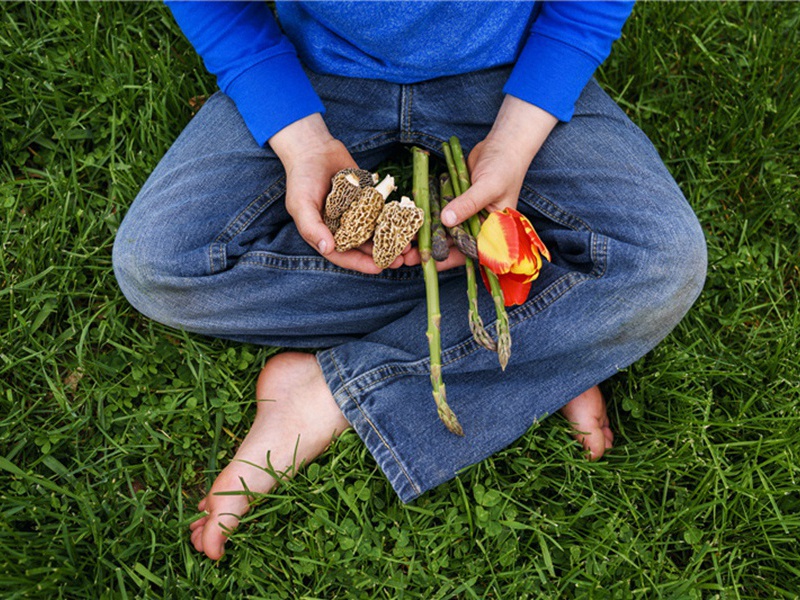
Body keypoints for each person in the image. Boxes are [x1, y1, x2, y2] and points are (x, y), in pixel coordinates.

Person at [112, 0, 707, 560]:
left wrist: (515, 138)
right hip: (314, 72)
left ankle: (323, 393)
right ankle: (542, 317)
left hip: (508, 75)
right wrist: (300, 140)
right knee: (161, 262)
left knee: (662, 260)